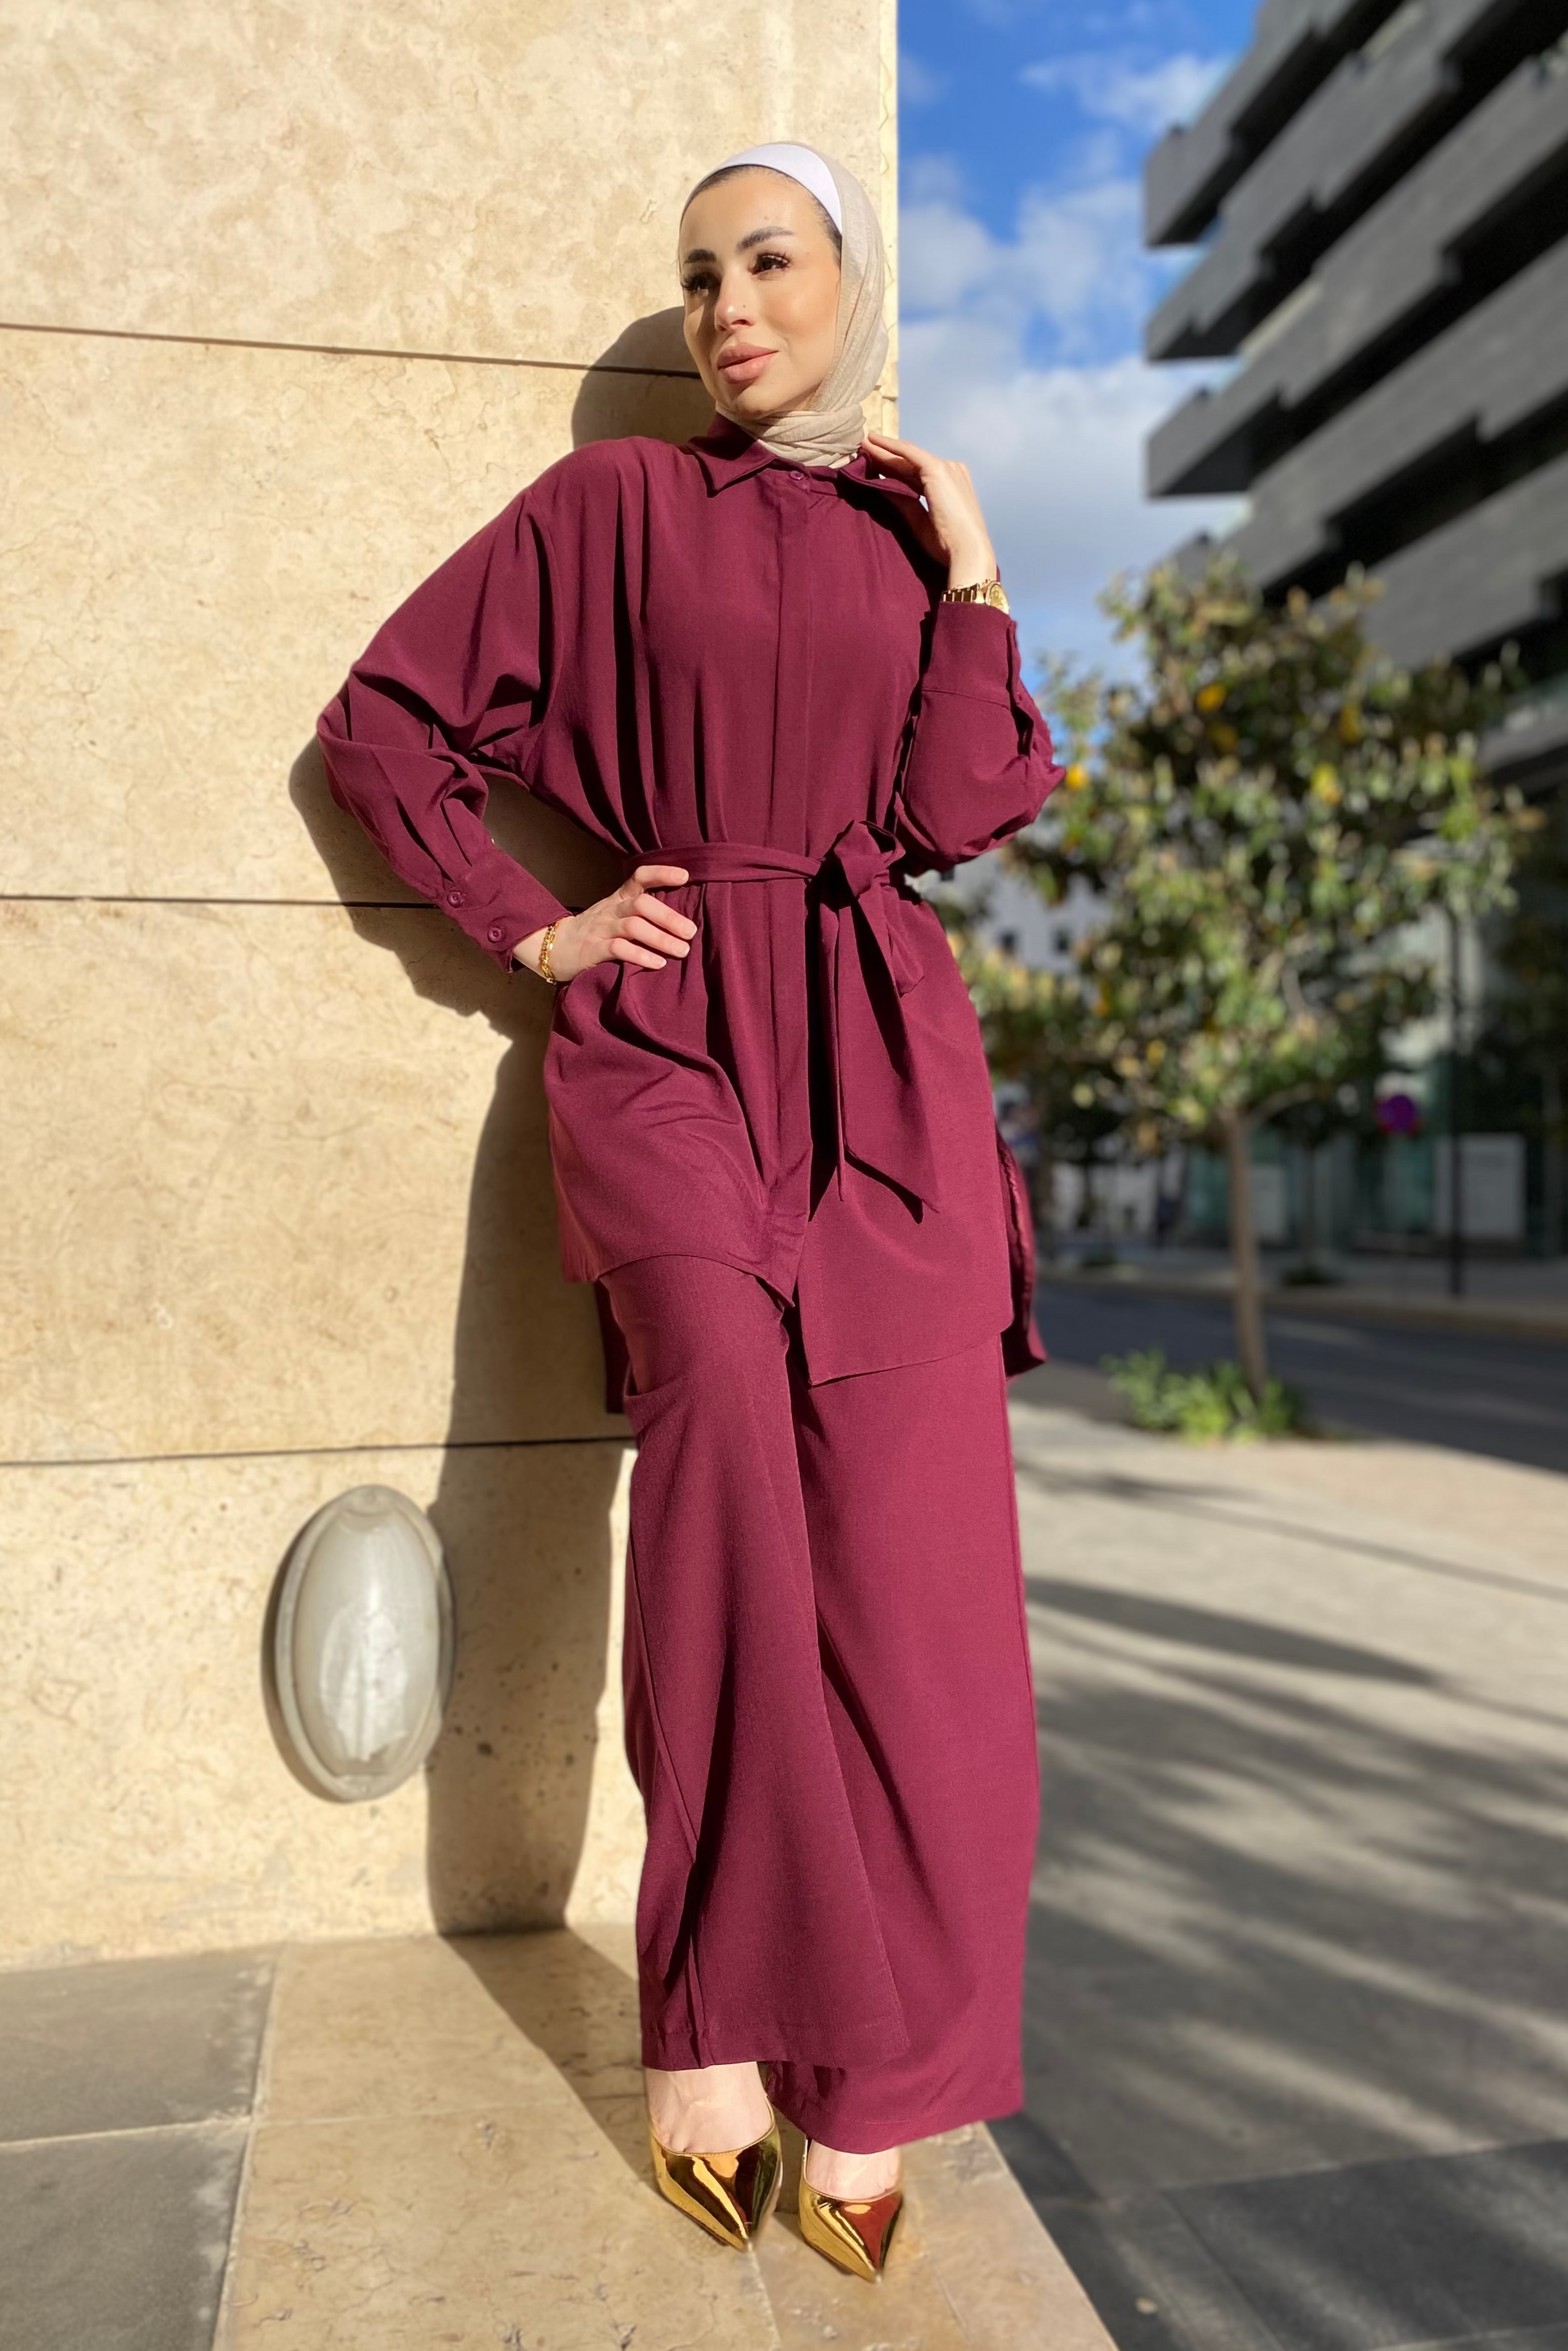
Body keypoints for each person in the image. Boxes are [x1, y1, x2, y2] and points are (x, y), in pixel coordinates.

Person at [317, 139, 1062, 2283]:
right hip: (664, 1052)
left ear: (851, 288)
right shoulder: (611, 510)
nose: (731, 307)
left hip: (888, 1066)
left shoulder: (912, 534)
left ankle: (892, 2070)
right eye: (698, 275)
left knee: (920, 1573)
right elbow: (386, 725)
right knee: (723, 1426)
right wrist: (533, 931)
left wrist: (984, 559)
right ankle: (714, 2020)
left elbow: (945, 809)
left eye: (770, 262)